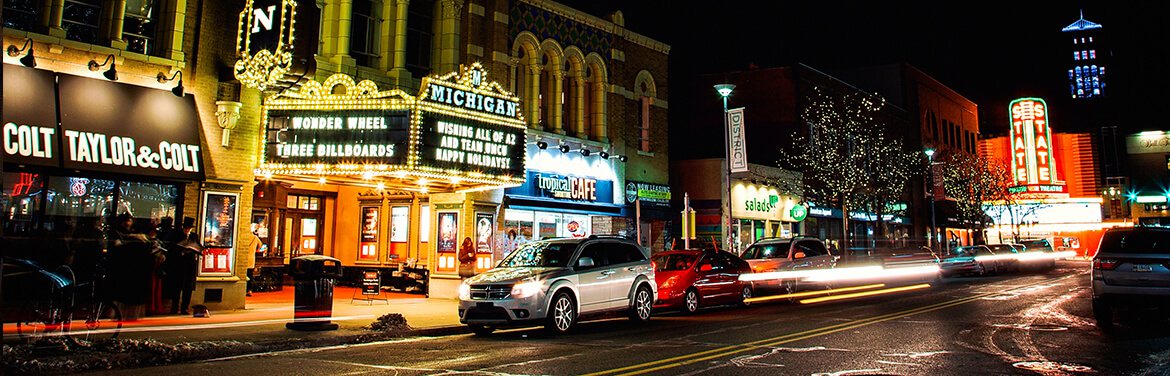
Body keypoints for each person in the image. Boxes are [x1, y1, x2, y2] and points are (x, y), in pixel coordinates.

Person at [166, 217, 201, 315]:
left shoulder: (194, 236)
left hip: (190, 264)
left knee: (188, 288)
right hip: (179, 264)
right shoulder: (177, 235)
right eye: (185, 228)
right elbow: (172, 247)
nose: (187, 230)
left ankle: (184, 308)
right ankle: (174, 307)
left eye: (188, 228)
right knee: (177, 287)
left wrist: (194, 250)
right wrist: (180, 252)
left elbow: (198, 247)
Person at [245, 224, 261, 297]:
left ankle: (244, 289)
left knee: (243, 275)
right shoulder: (255, 237)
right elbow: (260, 245)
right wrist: (256, 249)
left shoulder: (245, 237)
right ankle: (249, 290)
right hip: (251, 258)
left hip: (244, 258)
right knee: (250, 275)